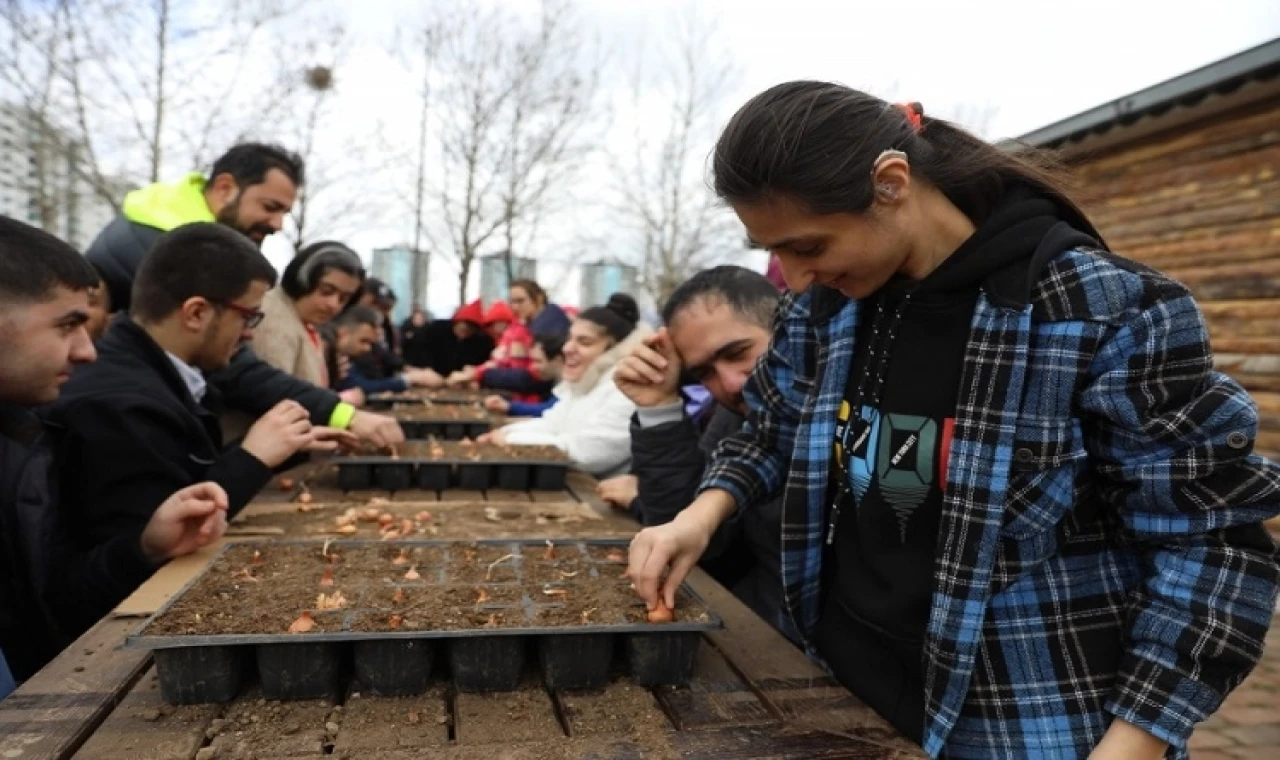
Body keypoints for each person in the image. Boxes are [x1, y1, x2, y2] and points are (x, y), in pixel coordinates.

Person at [626, 85, 1280, 760]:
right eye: (775, 252)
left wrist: (1136, 742)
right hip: (841, 689)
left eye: (809, 244)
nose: (793, 275)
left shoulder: (1101, 312)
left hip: (1027, 720)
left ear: (890, 182)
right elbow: (772, 428)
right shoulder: (829, 310)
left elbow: (1213, 545)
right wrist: (699, 515)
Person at [45, 223, 349, 635]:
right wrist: (252, 456)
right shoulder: (119, 405)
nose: (250, 332)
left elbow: (185, 480)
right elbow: (155, 551)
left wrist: (285, 447)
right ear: (197, 313)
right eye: (248, 315)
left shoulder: (150, 375)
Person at [0, 217, 229, 690]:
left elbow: (57, 602)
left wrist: (143, 548)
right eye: (67, 325)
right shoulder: (101, 408)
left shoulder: (21, 446)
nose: (87, 352)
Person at [82, 142, 402, 449]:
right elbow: (233, 368)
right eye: (269, 207)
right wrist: (341, 413)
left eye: (284, 213)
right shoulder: (183, 251)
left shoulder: (164, 224)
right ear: (224, 189)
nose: (277, 224)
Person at [612, 265, 795, 642]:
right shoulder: (735, 417)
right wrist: (659, 407)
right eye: (704, 373)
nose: (729, 384)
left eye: (738, 352)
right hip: (765, 638)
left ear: (789, 329)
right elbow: (696, 542)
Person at [481, 294, 649, 477]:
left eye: (584, 342)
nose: (567, 348)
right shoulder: (586, 383)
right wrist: (503, 433)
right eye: (570, 339)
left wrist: (510, 440)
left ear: (616, 349)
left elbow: (588, 453)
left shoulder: (629, 390)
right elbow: (553, 423)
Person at [222, 241, 366, 438]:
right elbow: (272, 399)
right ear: (302, 279)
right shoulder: (273, 318)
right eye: (326, 291)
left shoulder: (300, 321)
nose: (334, 305)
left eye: (344, 298)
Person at [324, 306, 440, 396]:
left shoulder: (344, 355)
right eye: (363, 341)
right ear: (343, 333)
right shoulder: (325, 351)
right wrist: (408, 379)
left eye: (370, 343)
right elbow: (359, 386)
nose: (367, 349)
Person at [483, 333, 567, 417]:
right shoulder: (553, 380)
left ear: (557, 361)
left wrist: (509, 406)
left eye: (538, 361)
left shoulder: (569, 384)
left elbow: (550, 409)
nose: (533, 366)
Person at [412, 300, 496, 380]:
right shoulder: (436, 329)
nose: (467, 328)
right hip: (427, 374)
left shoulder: (481, 342)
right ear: (457, 321)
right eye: (465, 323)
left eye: (472, 327)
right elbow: (418, 348)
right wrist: (426, 367)